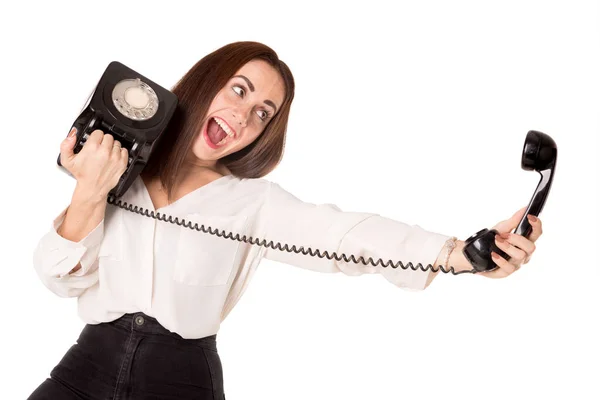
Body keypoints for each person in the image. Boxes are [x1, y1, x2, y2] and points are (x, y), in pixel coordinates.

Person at [28, 41, 543, 399]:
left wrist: (461, 254)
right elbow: (58, 277)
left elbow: (346, 234)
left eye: (262, 113)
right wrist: (91, 190)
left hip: (179, 383)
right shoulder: (119, 175)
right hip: (83, 372)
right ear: (205, 83)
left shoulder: (252, 205)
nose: (244, 114)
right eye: (238, 90)